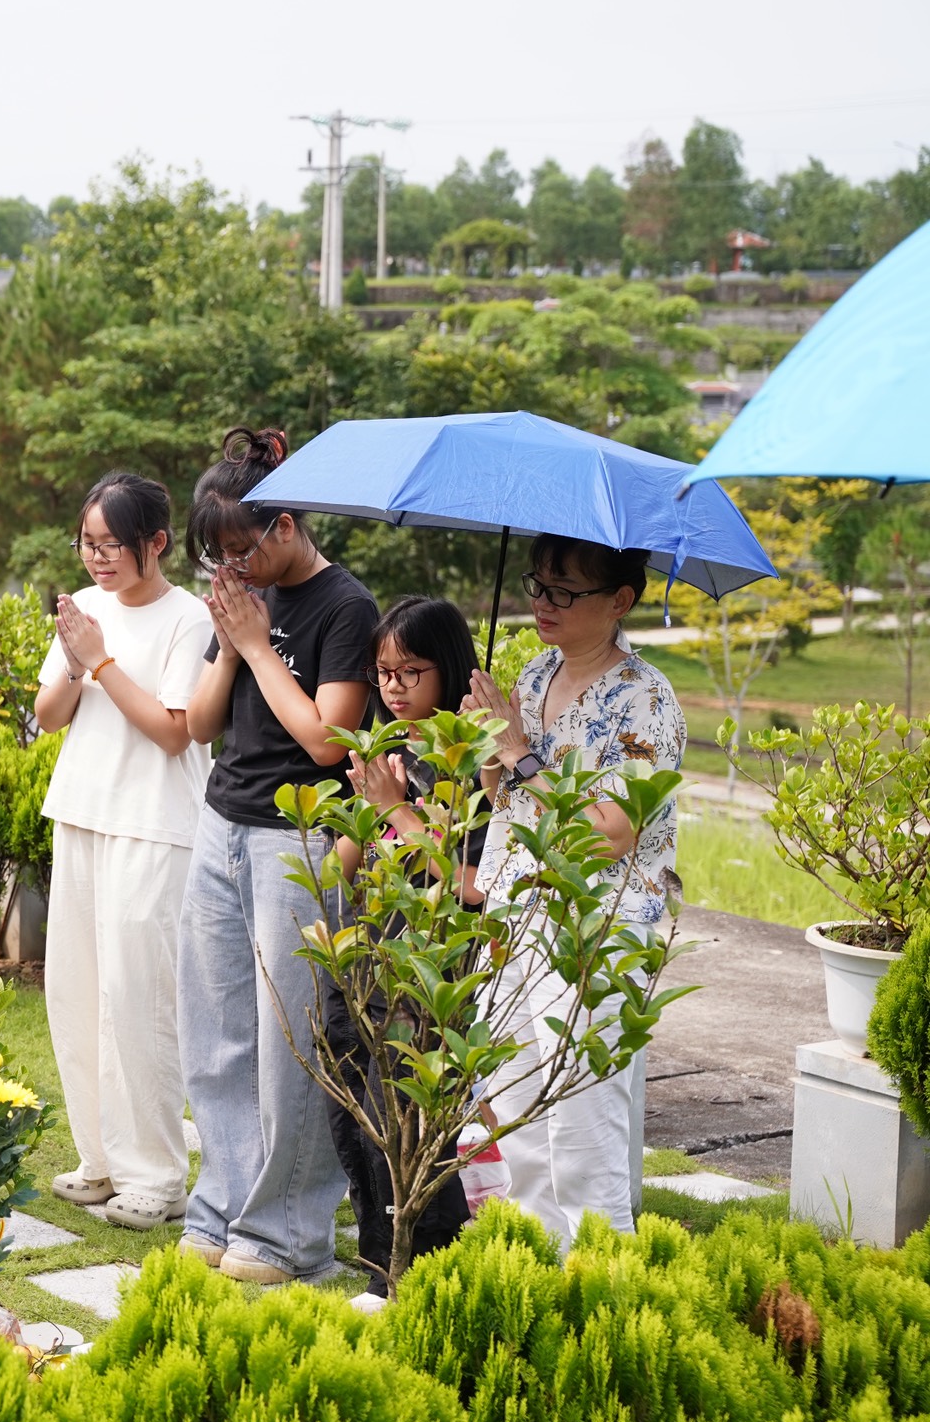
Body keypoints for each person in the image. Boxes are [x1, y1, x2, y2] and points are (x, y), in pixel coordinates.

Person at [179, 426, 379, 1285]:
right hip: (222, 822)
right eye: (215, 557)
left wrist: (259, 644)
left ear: (286, 525)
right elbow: (198, 722)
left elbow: (329, 740)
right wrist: (231, 640)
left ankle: (288, 1234)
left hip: (298, 839)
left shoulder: (346, 608)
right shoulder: (239, 608)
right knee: (217, 1033)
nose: (230, 569)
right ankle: (221, 1208)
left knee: (290, 1040)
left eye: (239, 549)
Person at [466, 537, 684, 1247]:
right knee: (519, 1100)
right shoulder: (533, 673)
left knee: (583, 1116)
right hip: (515, 909)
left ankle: (603, 1280)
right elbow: (506, 800)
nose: (541, 602)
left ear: (619, 601)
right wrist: (490, 749)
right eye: (538, 584)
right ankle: (539, 1264)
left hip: (594, 928)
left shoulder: (647, 700)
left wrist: (519, 754)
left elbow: (611, 831)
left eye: (564, 591)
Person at [31, 473, 211, 1231]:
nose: (97, 558)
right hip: (81, 811)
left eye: (111, 545)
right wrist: (76, 660)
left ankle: (157, 1175)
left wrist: (102, 661)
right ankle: (100, 1158)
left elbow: (176, 730)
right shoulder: (84, 609)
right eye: (88, 543)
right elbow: (48, 717)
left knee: (140, 1000)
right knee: (76, 992)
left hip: (154, 822)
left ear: (156, 544)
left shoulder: (189, 618)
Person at [327, 595, 484, 1294]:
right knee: (353, 1112)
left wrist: (399, 808)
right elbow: (344, 862)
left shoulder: (471, 765)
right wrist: (363, 809)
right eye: (383, 671)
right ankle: (376, 1264)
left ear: (446, 671)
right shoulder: (383, 745)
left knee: (408, 1122)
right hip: (364, 951)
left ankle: (422, 1267)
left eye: (411, 671)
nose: (392, 686)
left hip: (427, 970)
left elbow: (471, 881)